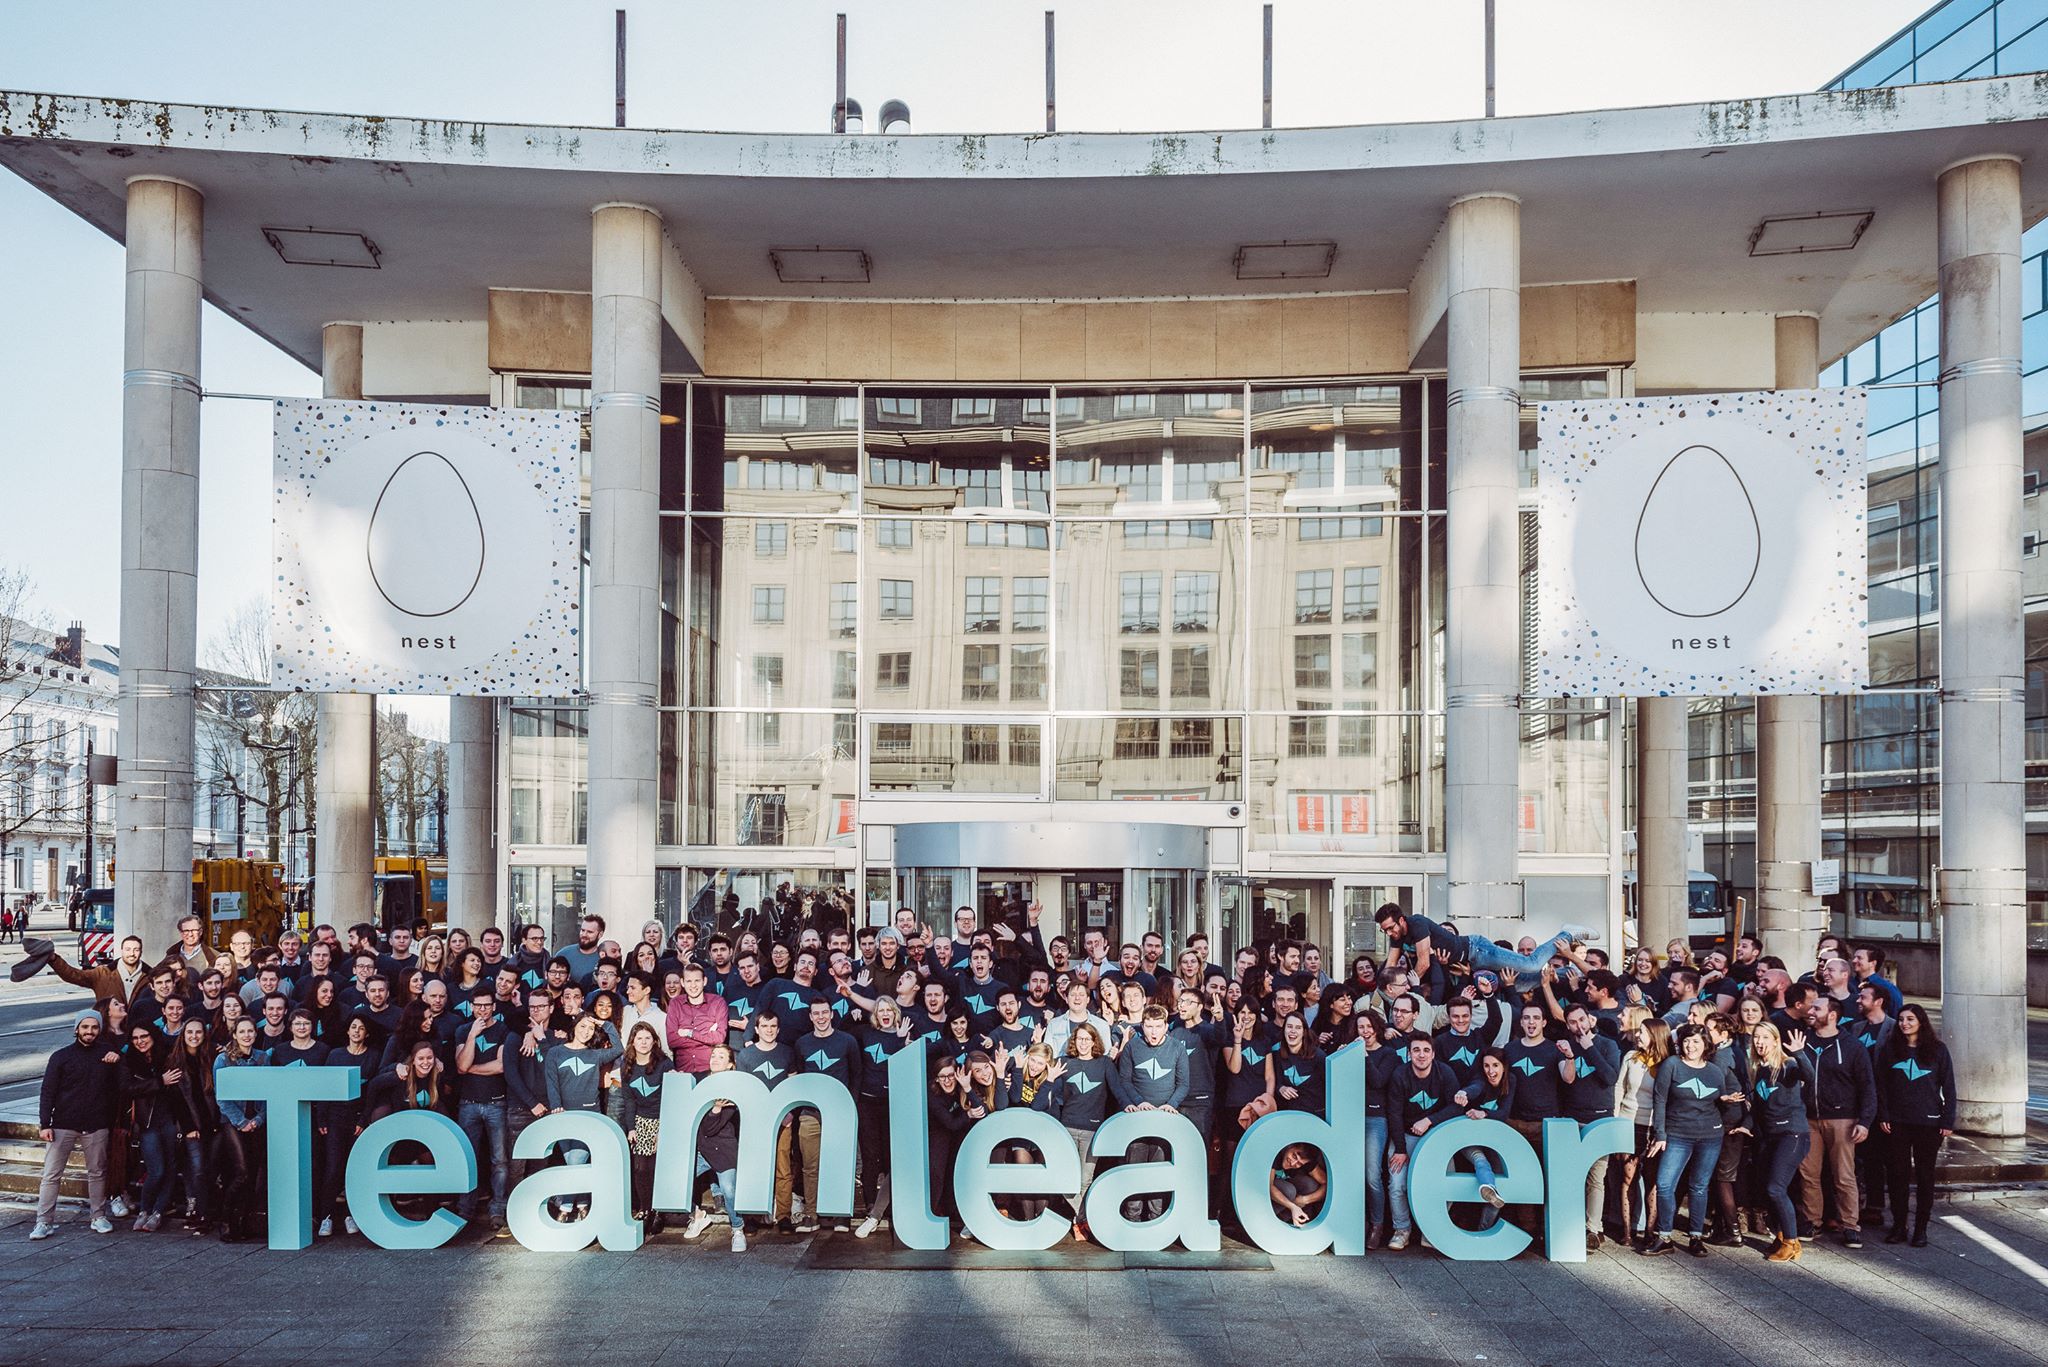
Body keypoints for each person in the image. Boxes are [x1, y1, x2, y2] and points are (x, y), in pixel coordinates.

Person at [1644, 1023, 1742, 1257]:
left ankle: (1696, 1237)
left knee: (1699, 1186)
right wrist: (1660, 1134)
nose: (1690, 1046)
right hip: (1677, 1133)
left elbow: (1719, 1097)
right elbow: (1660, 1100)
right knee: (1665, 1184)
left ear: (1706, 1044)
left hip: (1710, 1135)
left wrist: (1725, 1099)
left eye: (1696, 1041)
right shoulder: (1672, 1065)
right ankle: (1664, 1236)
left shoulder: (1714, 1071)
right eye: (1686, 1041)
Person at [32, 1010, 121, 1240]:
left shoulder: (108, 1054)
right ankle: (44, 1221)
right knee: (51, 1174)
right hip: (63, 1124)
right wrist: (44, 1124)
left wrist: (118, 1059)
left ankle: (98, 1216)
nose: (89, 1031)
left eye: (94, 1027)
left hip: (96, 1124)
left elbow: (120, 1086)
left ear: (99, 1029)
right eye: (85, 1027)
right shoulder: (61, 1057)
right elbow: (48, 1092)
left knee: (97, 1172)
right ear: (76, 1029)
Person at [1798, 995, 1875, 1248]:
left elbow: (1867, 1086)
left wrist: (1865, 1121)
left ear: (1832, 1015)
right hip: (1808, 1117)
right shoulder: (1803, 1041)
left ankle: (1850, 1225)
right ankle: (1813, 1220)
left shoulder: (1852, 1046)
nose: (1811, 1011)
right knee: (1808, 1173)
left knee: (1843, 1175)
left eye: (1817, 1008)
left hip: (1842, 1118)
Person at [1876, 1002, 1954, 1248]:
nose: (1904, 1024)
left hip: (1929, 1123)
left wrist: (1947, 1120)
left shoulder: (1938, 1050)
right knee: (1897, 1175)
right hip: (1897, 1123)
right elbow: (1881, 1086)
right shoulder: (1890, 1049)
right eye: (1901, 1019)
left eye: (1910, 1019)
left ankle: (1921, 1228)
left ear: (1921, 1022)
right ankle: (1899, 1225)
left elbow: (1949, 1087)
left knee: (1925, 1176)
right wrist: (1884, 1115)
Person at [1746, 1021, 1816, 1262]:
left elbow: (1809, 1076)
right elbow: (1758, 1106)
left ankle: (1791, 1243)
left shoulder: (1788, 1065)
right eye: (1756, 1037)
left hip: (1792, 1134)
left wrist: (1799, 1053)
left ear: (1776, 1041)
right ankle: (1781, 1234)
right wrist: (1745, 1125)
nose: (1760, 1042)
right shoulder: (1759, 1068)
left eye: (1765, 1037)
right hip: (1770, 1135)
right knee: (1768, 1189)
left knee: (1775, 1188)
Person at [1375, 904, 1594, 979]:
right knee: (1525, 980)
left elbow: (1423, 963)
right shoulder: (1398, 936)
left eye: (1391, 928)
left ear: (1401, 920)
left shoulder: (1416, 923)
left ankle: (1566, 935)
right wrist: (1382, 990)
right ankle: (1573, 974)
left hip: (1477, 950)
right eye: (1385, 930)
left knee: (1531, 964)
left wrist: (1403, 987)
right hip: (1471, 966)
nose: (1389, 933)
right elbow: (1390, 966)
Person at [454, 986, 513, 1236]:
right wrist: (472, 1036)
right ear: (471, 1007)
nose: (482, 1010)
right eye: (478, 1005)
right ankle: (465, 1209)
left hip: (496, 1103)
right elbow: (460, 1066)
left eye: (487, 1005)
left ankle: (497, 1209)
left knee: (499, 1160)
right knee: (468, 1157)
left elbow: (500, 1066)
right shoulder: (462, 1030)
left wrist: (471, 1068)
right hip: (468, 1103)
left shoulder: (503, 1030)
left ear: (494, 1007)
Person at [119, 1021, 181, 1232]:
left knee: (170, 1168)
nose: (140, 1041)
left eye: (144, 1036)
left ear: (153, 1036)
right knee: (157, 1170)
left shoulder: (167, 1056)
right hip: (147, 1123)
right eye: (135, 1038)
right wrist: (159, 1082)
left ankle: (158, 1212)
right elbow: (127, 1088)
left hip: (170, 1119)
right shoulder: (129, 1060)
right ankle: (144, 1210)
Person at [213, 1017, 269, 1242]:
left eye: (250, 1031)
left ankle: (244, 1222)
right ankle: (226, 1220)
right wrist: (242, 1122)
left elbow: (269, 1092)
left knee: (253, 1175)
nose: (247, 1035)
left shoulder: (263, 1058)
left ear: (255, 1034)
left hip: (256, 1121)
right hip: (233, 1122)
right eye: (242, 1031)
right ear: (234, 1035)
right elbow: (222, 1097)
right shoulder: (223, 1059)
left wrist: (258, 1119)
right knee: (242, 1172)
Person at [1270, 1142, 1327, 1228]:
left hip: (1284, 1182)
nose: (1293, 1163)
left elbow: (1326, 1185)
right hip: (1267, 1186)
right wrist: (1292, 1207)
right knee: (1289, 1191)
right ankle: (1267, 1219)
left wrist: (1304, 1200)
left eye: (1299, 1163)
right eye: (1294, 1156)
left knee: (1310, 1185)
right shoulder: (1277, 1152)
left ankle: (1283, 1222)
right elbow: (1270, 1187)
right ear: (1290, 1146)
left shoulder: (1306, 1162)